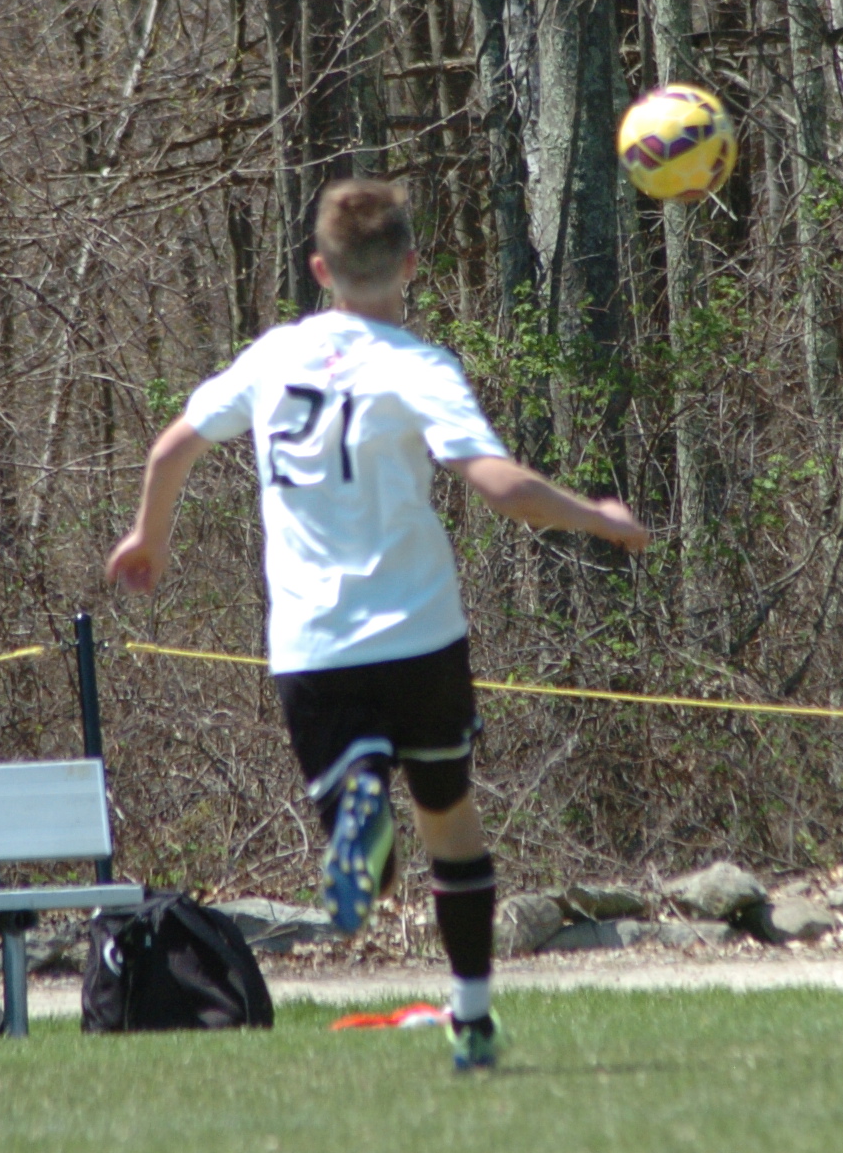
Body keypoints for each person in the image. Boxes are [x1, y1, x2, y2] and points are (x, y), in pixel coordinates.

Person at [105, 178, 647, 1071]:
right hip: (420, 634)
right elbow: (499, 486)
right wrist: (599, 516)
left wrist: (148, 539)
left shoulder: (274, 357)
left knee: (371, 842)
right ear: (409, 265)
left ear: (320, 269)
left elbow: (174, 447)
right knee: (449, 817)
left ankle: (362, 802)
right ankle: (473, 1018)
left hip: (312, 645)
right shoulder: (417, 367)